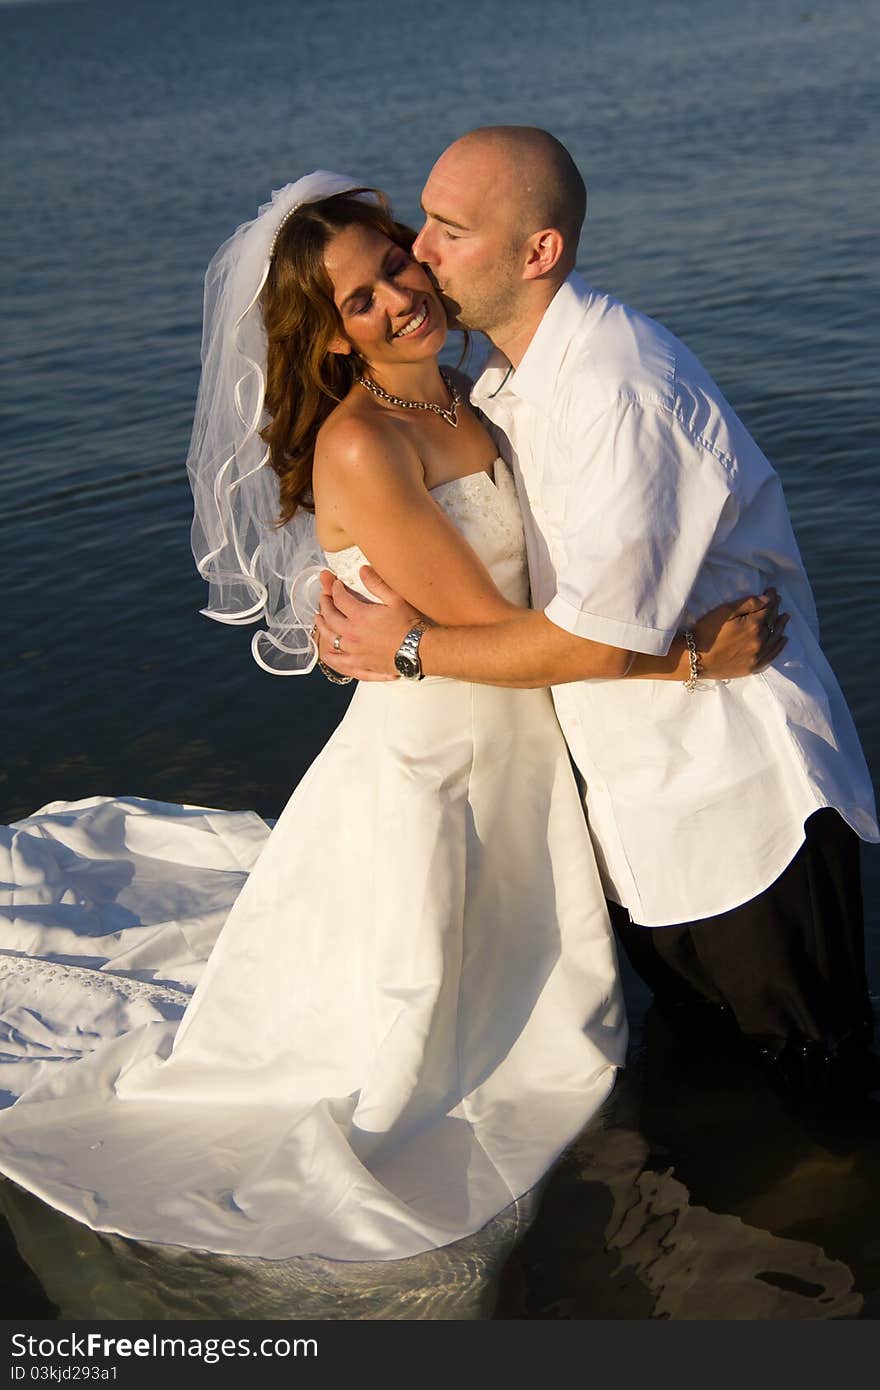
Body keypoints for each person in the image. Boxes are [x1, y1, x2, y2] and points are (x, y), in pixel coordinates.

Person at [0, 173, 779, 1264]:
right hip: (447, 750)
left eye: (396, 265)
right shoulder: (364, 445)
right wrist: (690, 657)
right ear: (328, 343)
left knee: (538, 993)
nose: (396, 300)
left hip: (521, 738)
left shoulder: (463, 387)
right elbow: (495, 624)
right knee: (438, 1031)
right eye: (358, 302)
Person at [316, 128, 879, 1095]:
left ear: (539, 254)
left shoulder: (618, 389)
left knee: (822, 1084)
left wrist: (410, 647)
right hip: (628, 804)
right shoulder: (498, 386)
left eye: (448, 233)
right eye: (424, 228)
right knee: (712, 1073)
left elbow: (590, 636)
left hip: (733, 801)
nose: (422, 260)